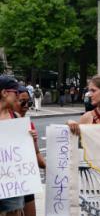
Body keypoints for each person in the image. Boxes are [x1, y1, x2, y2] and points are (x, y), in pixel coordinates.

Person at [14, 86, 45, 216]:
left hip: (25, 182)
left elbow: (36, 153)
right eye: (23, 102)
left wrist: (51, 169)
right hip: (8, 183)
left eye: (29, 102)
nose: (26, 106)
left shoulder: (28, 124)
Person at [0, 76, 28, 215]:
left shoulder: (16, 117)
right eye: (15, 93)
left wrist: (30, 139)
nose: (19, 97)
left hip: (12, 186)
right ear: (4, 93)